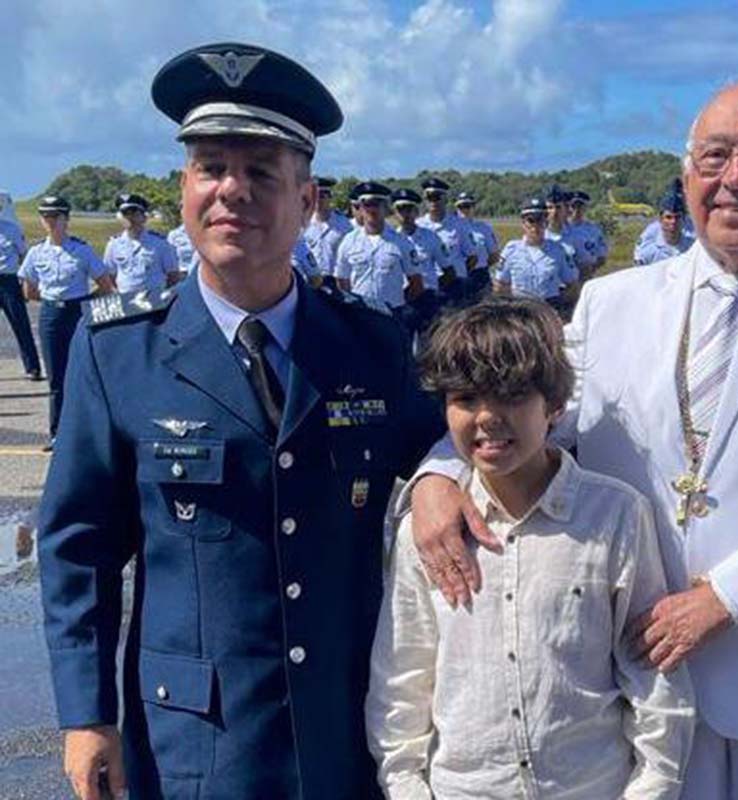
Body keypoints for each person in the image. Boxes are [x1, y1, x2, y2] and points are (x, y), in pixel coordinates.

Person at [409, 83, 738, 799]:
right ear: (686, 172)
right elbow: (519, 405)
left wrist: (726, 597)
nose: (736, 178)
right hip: (625, 668)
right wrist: (435, 477)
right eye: (715, 156)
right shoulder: (612, 304)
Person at [37, 42, 442, 800]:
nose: (232, 191)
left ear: (307, 198)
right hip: (195, 739)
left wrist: (441, 477)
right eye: (211, 167)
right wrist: (87, 716)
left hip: (345, 727)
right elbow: (78, 549)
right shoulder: (119, 351)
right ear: (184, 186)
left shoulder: (371, 345)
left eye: (260, 172)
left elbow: (450, 447)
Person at [366, 296, 695, 799]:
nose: (488, 418)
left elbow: (651, 674)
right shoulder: (426, 532)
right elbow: (403, 675)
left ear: (556, 406)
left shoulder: (614, 516)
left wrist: (653, 785)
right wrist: (406, 785)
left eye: (513, 396)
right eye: (466, 399)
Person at [19, 195, 114, 449]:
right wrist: (53, 302)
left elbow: (105, 286)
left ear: (66, 219)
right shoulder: (36, 252)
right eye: (46, 217)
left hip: (78, 311)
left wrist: (83, 304)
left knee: (85, 373)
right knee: (56, 378)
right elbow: (29, 291)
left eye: (56, 217)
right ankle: (57, 433)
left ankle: (90, 433)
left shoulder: (82, 250)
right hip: (51, 314)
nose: (50, 222)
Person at [335, 181, 421, 314]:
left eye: (376, 204)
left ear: (385, 208)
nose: (372, 209)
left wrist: (398, 306)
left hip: (392, 313)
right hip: (360, 314)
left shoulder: (401, 242)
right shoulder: (348, 241)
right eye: (367, 204)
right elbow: (341, 280)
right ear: (360, 208)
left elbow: (416, 283)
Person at [494, 197, 578, 315]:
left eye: (540, 220)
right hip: (520, 310)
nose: (536, 226)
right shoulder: (511, 250)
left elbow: (572, 286)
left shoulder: (559, 251)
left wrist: (558, 306)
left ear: (546, 222)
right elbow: (500, 285)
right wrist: (511, 307)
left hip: (549, 310)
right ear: (523, 223)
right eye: (531, 220)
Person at [393, 187, 447, 332]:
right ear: (395, 213)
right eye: (401, 209)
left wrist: (433, 289)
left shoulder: (431, 237)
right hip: (402, 300)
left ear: (416, 212)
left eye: (409, 209)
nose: (405, 214)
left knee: (430, 346)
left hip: (427, 300)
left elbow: (448, 270)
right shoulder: (390, 241)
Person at [103, 193, 182, 294]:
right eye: (126, 214)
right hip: (126, 303)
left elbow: (173, 276)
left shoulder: (160, 243)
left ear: (144, 217)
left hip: (155, 303)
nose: (130, 218)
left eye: (134, 214)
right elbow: (110, 276)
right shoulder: (114, 245)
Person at [0, 209, 42, 380]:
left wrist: (26, 282)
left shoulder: (12, 229)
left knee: (21, 325)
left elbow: (23, 255)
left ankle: (32, 367)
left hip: (8, 280)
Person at [418, 177, 474, 305]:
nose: (433, 202)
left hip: (455, 287)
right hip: (428, 289)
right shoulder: (418, 226)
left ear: (445, 199)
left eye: (437, 197)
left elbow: (472, 257)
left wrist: (459, 273)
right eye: (429, 197)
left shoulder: (460, 225)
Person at [304, 176, 353, 286]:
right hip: (310, 281)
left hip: (335, 282)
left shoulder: (344, 225)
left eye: (321, 196)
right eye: (313, 195)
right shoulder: (302, 223)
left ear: (329, 197)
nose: (317, 200)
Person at [452, 191, 496, 303]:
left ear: (473, 207)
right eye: (461, 207)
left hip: (480, 276)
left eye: (467, 206)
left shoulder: (484, 228)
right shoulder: (450, 228)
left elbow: (493, 255)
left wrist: (482, 265)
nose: (464, 210)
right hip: (456, 277)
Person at [633, 188, 694, 266]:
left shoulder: (693, 247)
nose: (673, 222)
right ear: (661, 220)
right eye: (668, 217)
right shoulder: (648, 251)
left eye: (678, 217)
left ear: (684, 220)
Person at [564, 190, 608, 278]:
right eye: (573, 206)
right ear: (568, 207)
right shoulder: (562, 229)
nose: (577, 210)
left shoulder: (593, 230)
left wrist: (591, 268)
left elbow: (602, 256)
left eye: (580, 206)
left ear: (585, 208)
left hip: (586, 276)